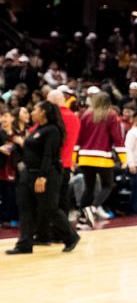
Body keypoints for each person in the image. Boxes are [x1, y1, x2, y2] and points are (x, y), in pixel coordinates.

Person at [6, 101, 80, 254]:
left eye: (35, 110)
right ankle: (24, 244)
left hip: (47, 174)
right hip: (28, 173)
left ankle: (71, 236)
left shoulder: (53, 130)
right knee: (25, 207)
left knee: (49, 208)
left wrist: (42, 176)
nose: (32, 113)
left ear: (44, 112)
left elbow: (49, 155)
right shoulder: (36, 130)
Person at [76, 91, 126, 227]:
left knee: (89, 188)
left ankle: (82, 219)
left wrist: (75, 156)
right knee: (107, 186)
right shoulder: (111, 115)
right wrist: (124, 158)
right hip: (102, 157)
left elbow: (78, 137)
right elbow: (117, 138)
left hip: (85, 157)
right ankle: (92, 209)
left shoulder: (85, 115)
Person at [36, 89, 80, 243]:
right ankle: (60, 234)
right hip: (67, 164)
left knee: (49, 203)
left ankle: (48, 234)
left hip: (52, 166)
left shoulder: (54, 118)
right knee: (63, 201)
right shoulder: (75, 117)